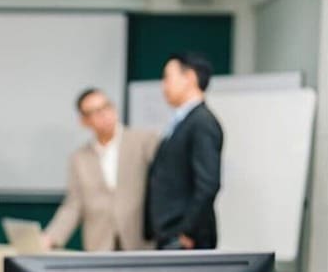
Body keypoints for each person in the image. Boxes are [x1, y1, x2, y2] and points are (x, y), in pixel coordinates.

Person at [42, 88, 159, 251]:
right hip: (100, 244)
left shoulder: (144, 141)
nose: (104, 114)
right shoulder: (79, 158)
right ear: (84, 121)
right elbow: (74, 205)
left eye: (106, 107)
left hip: (139, 242)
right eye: (95, 112)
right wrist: (50, 237)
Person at [146, 52, 223, 250]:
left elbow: (208, 184)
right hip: (169, 234)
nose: (163, 86)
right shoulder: (183, 121)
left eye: (167, 78)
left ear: (189, 78)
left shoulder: (202, 122)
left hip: (186, 239)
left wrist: (187, 231)